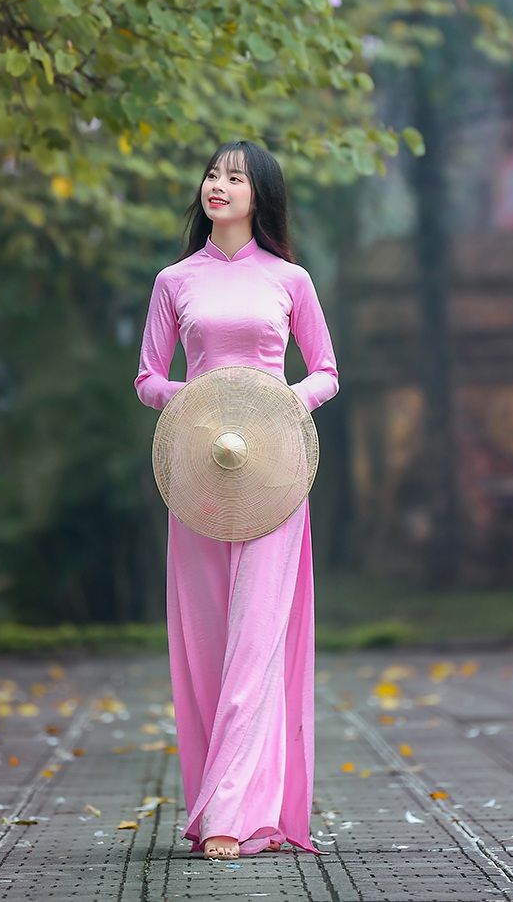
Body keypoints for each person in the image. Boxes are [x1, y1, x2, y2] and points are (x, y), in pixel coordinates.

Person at [134, 139, 339, 861]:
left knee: (257, 639)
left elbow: (325, 372)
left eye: (236, 178)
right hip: (197, 471)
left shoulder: (290, 279)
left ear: (261, 197)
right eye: (213, 174)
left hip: (275, 473)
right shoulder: (173, 281)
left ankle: (232, 816)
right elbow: (148, 379)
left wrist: (282, 401)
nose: (218, 185)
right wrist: (197, 398)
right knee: (210, 644)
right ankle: (221, 799)